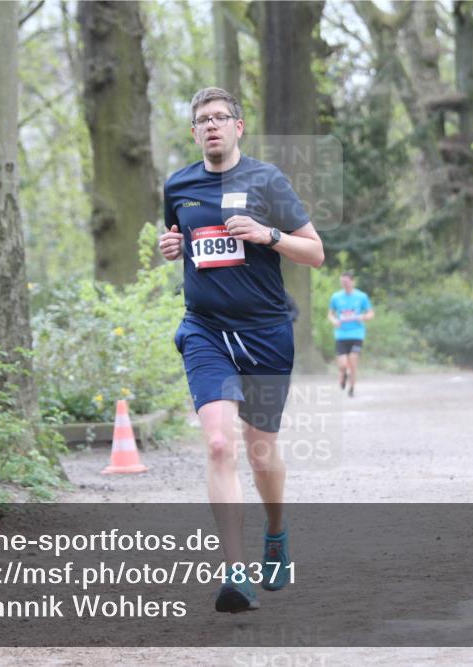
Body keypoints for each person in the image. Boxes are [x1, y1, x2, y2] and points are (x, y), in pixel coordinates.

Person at [158, 87, 324, 613]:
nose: (211, 126)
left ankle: (276, 531)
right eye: (202, 119)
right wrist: (173, 249)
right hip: (205, 330)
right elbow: (183, 240)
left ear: (238, 126)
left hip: (265, 332)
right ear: (193, 132)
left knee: (259, 449)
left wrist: (267, 233)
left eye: (220, 118)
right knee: (218, 445)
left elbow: (315, 253)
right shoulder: (178, 185)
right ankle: (235, 570)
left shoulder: (266, 180)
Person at [327, 271, 373, 397]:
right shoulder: (336, 297)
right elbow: (330, 314)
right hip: (341, 334)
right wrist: (334, 321)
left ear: (352, 281)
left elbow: (370, 313)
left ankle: (352, 387)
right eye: (342, 282)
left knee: (353, 361)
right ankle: (343, 375)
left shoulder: (361, 296)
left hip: (357, 333)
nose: (345, 284)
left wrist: (363, 317)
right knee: (342, 364)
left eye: (347, 282)